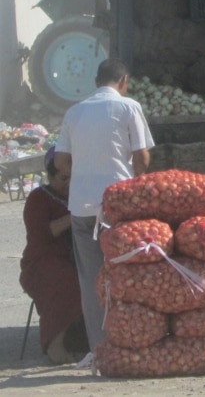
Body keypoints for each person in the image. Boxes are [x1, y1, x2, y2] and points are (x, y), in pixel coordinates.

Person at [54, 58, 155, 356]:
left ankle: (101, 348)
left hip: (82, 208)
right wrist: (136, 181)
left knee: (91, 279)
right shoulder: (128, 107)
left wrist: (83, 168)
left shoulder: (75, 111)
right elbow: (143, 157)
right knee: (126, 274)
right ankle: (128, 345)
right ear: (123, 81)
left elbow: (60, 162)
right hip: (117, 206)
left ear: (96, 81)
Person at [19, 147, 89, 364]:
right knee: (67, 280)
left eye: (73, 177)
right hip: (42, 263)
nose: (68, 183)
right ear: (50, 176)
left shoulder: (81, 195)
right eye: (63, 178)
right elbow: (41, 234)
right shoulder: (38, 198)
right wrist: (75, 216)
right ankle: (54, 344)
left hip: (74, 258)